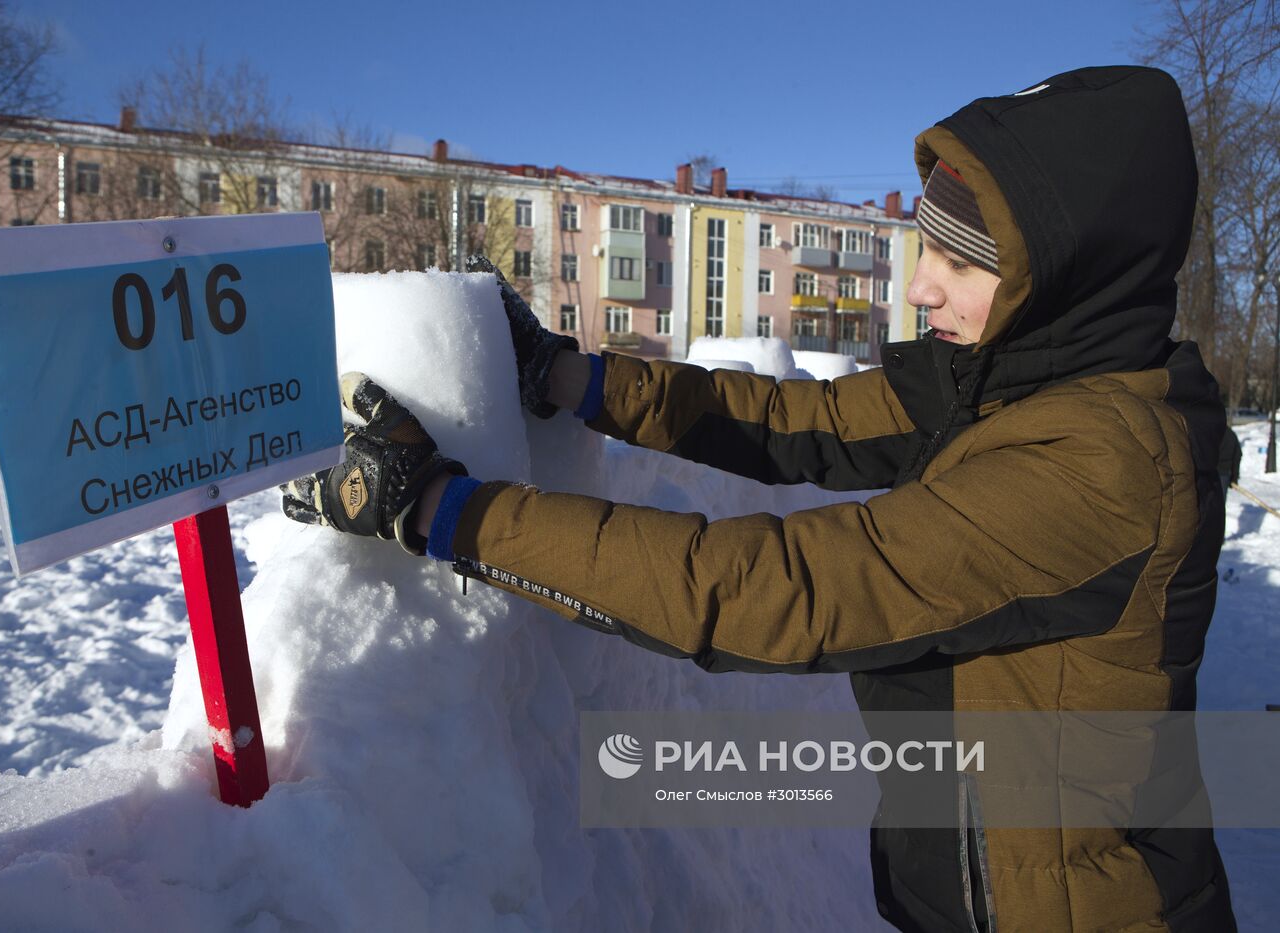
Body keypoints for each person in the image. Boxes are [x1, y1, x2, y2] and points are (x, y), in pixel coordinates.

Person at [284, 65, 1235, 932]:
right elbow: (800, 417)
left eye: (965, 264)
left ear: (1067, 276)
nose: (920, 288)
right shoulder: (1007, 380)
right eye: (924, 247)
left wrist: (445, 511)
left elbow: (783, 588)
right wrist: (577, 380)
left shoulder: (1103, 464)